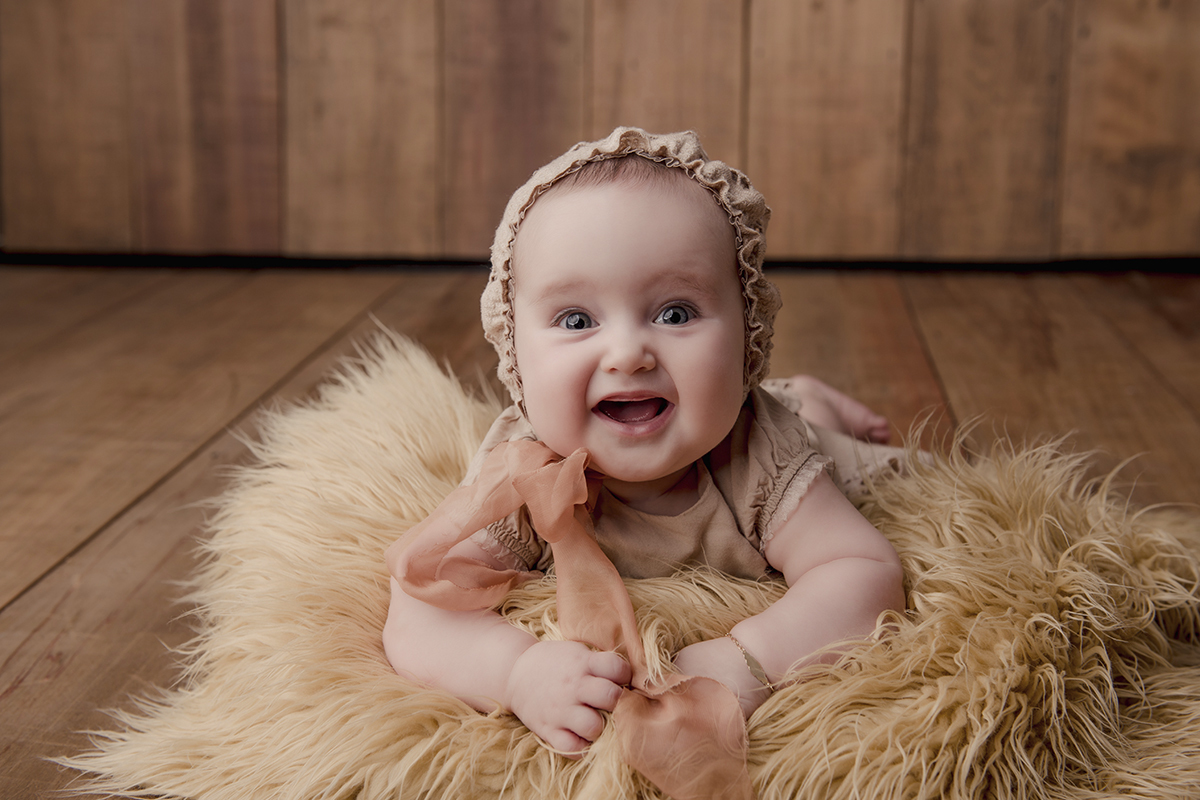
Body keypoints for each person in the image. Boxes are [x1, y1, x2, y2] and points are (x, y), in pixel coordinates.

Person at [383, 128, 906, 760]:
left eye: (676, 313)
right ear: (515, 351)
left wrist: (750, 659)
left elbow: (863, 572)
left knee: (819, 427)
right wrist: (517, 672)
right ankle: (807, 392)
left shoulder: (760, 453)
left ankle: (815, 401)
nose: (628, 354)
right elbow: (421, 608)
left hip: (784, 421)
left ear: (747, 332)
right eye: (577, 321)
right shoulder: (527, 474)